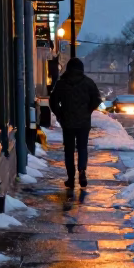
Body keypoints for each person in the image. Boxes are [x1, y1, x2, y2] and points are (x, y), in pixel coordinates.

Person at [48, 56, 102, 189]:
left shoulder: (62, 84)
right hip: (83, 122)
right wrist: (88, 110)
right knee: (82, 147)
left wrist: (60, 115)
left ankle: (71, 178)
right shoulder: (88, 83)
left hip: (67, 122)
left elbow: (53, 101)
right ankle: (82, 171)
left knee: (69, 150)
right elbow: (97, 99)